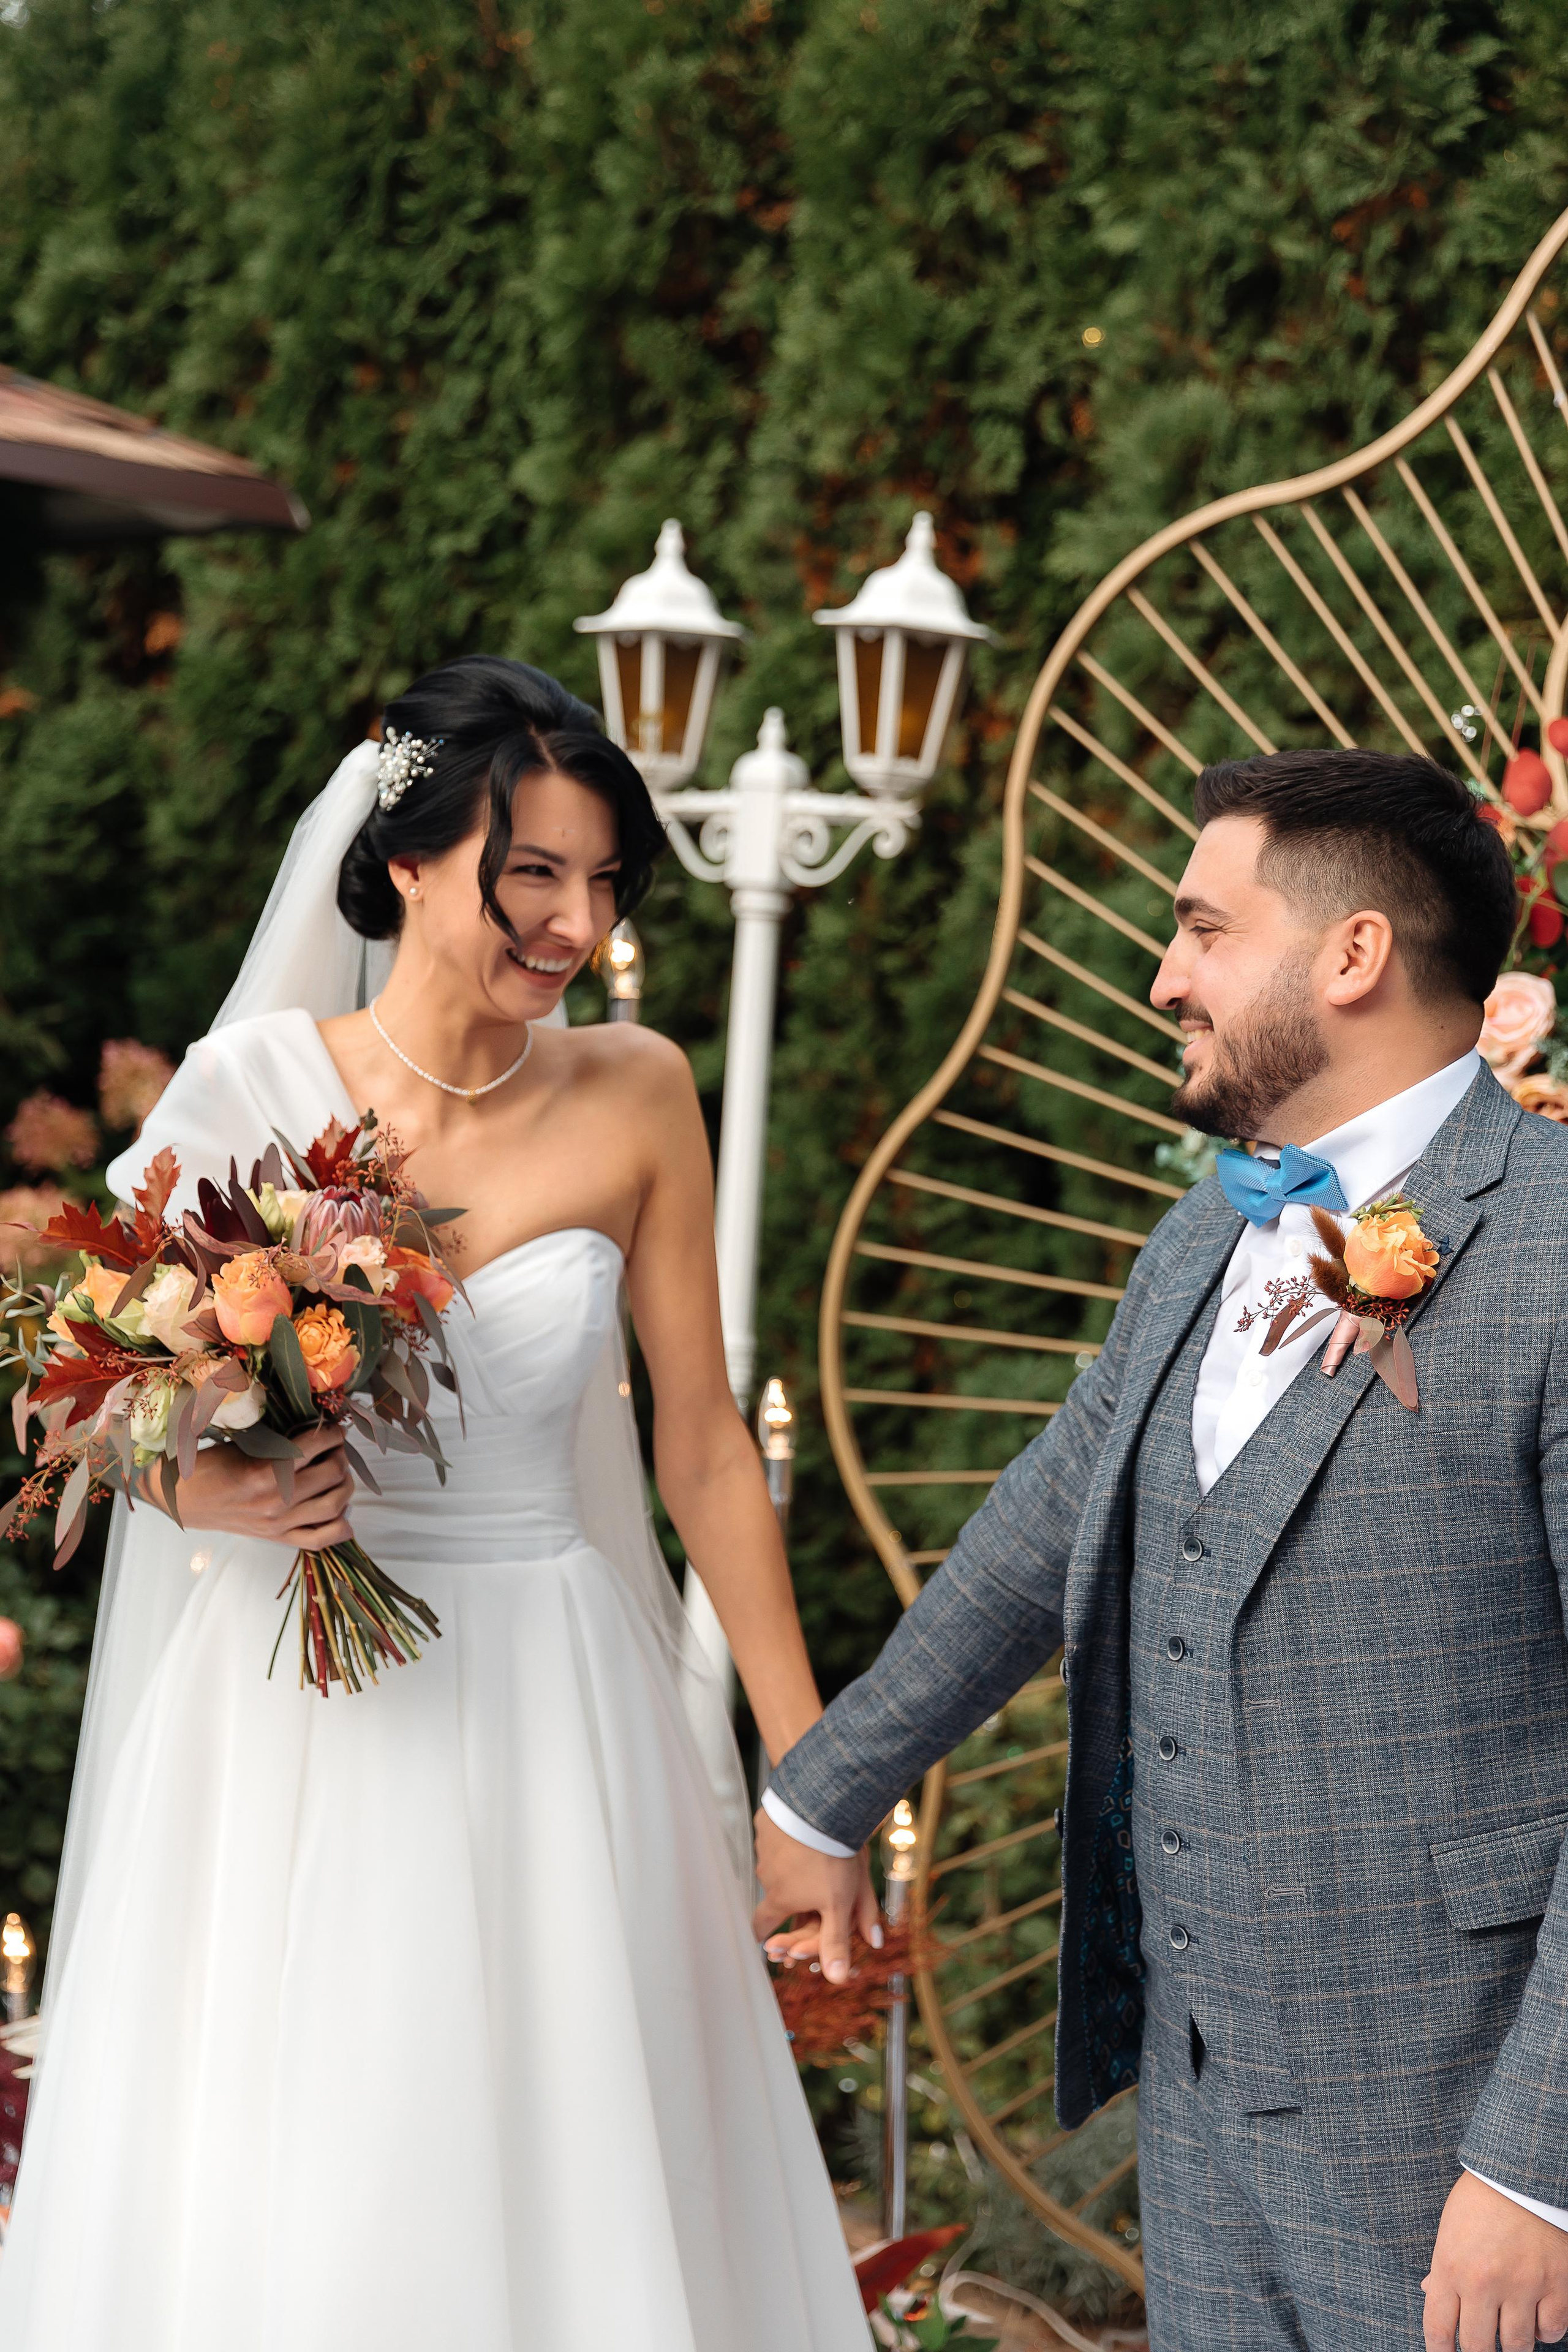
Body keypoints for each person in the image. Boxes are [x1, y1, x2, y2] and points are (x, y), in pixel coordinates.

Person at [0, 657, 869, 2352]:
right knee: (313, 2167)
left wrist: (806, 1771)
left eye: (604, 879)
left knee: (569, 2160)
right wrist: (217, 1495)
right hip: (287, 1724)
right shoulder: (249, 1091)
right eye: (531, 871)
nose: (575, 921)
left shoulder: (640, 1091)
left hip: (556, 1704)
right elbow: (68, 1385)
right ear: (406, 862)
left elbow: (699, 1447)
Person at [755, 747, 1568, 2352]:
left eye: (1203, 928)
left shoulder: (1552, 1242)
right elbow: (1056, 1513)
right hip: (1201, 2129)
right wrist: (822, 1788)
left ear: (1353, 956)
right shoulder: (1210, 1229)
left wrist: (1539, 2166)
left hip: (1456, 2142)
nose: (1161, 974)